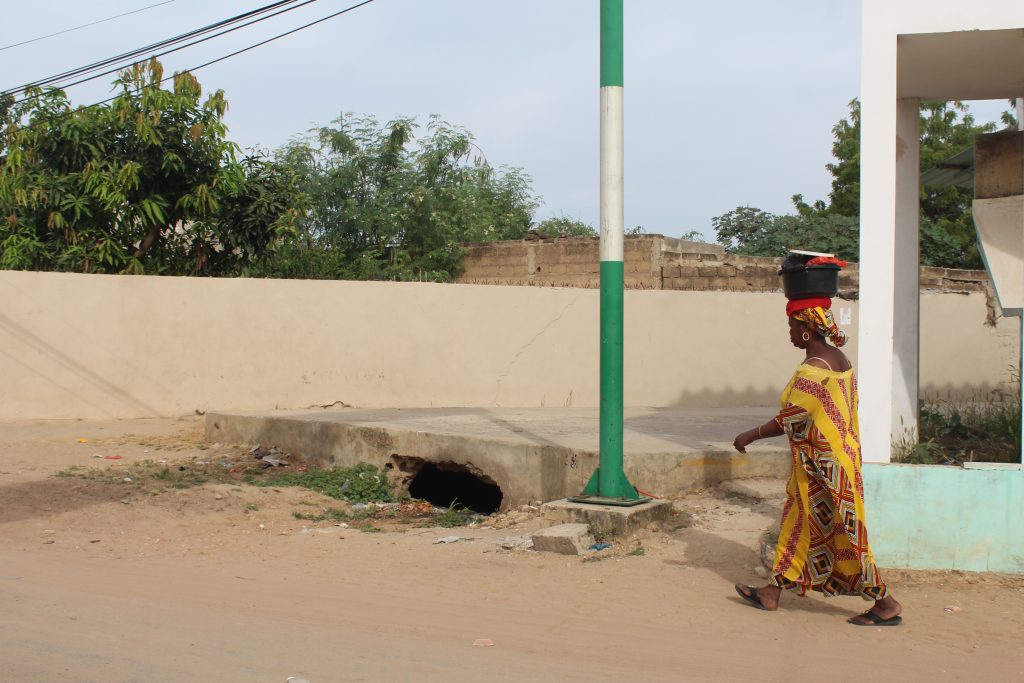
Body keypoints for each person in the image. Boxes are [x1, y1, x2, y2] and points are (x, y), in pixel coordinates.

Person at [731, 297, 902, 626]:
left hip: (826, 465)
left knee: (847, 532)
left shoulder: (814, 369)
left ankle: (886, 602)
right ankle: (772, 592)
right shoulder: (839, 359)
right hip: (830, 460)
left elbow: (790, 419)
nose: (791, 334)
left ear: (807, 329)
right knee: (798, 525)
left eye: (793, 327)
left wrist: (748, 436)